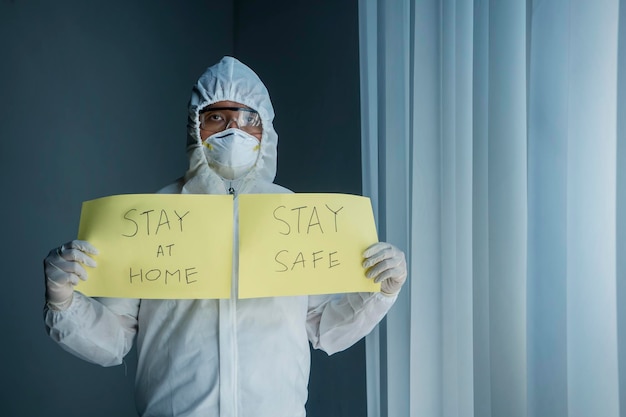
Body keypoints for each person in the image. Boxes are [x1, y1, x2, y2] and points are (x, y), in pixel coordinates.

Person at [43, 56, 407, 417]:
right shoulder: (151, 216)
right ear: (194, 127)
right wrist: (64, 303)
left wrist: (380, 292)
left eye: (248, 119)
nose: (233, 131)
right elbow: (114, 339)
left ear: (267, 131)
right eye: (216, 117)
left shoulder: (293, 214)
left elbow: (324, 326)